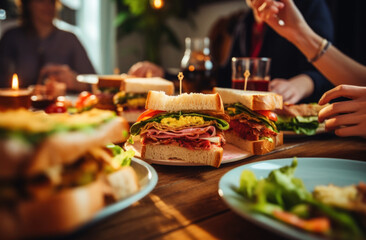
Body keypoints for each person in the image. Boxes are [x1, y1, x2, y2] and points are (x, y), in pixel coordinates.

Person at [251, 0, 366, 138]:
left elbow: (325, 77)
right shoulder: (244, 23)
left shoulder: (313, 6)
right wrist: (298, 33)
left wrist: (305, 82)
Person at [208, 0, 334, 104]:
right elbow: (228, 77)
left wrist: (300, 85)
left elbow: (332, 71)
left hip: (301, 114)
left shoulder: (309, 6)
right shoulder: (245, 22)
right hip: (253, 119)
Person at [0, 0, 95, 93]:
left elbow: (96, 82)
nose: (48, 6)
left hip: (61, 106)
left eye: (52, 1)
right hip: (20, 106)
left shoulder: (70, 39)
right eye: (41, 1)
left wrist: (78, 83)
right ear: (27, 4)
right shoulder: (12, 38)